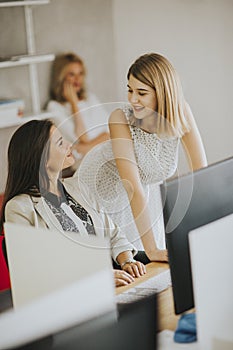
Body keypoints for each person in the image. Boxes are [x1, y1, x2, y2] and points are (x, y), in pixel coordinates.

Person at [77, 52, 208, 262]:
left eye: (141, 92)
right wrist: (152, 250)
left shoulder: (181, 111)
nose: (133, 99)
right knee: (125, 262)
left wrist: (203, 233)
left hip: (141, 193)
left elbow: (201, 173)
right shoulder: (121, 118)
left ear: (162, 93)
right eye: (130, 90)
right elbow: (132, 187)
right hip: (102, 190)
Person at [0, 119, 146, 287]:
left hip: (113, 284)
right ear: (42, 158)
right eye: (61, 143)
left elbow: (113, 233)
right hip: (71, 296)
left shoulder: (78, 186)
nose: (70, 144)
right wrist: (97, 278)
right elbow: (35, 270)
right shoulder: (19, 208)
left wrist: (127, 261)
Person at [46, 52, 110, 160]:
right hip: (86, 163)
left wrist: (88, 147)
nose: (77, 79)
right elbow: (82, 138)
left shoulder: (90, 98)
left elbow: (112, 131)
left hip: (107, 154)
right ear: (61, 77)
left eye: (80, 73)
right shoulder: (54, 107)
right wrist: (74, 104)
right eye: (71, 74)